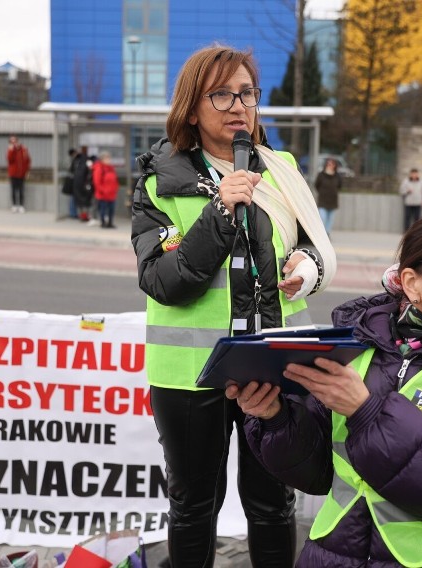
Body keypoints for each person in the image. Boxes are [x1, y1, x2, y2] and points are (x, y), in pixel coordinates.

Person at [227, 215, 422, 567]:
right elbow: (315, 473)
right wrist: (274, 418)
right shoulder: (359, 345)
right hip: (337, 553)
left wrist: (366, 411)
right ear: (411, 281)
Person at [131, 44, 337, 568]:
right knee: (194, 504)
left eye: (245, 92)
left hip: (272, 362)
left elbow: (311, 242)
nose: (236, 105)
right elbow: (164, 280)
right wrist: (222, 208)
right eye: (220, 94)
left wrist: (308, 268)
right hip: (188, 374)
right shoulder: (161, 180)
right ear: (192, 106)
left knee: (272, 502)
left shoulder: (281, 168)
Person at [314, 157, 343, 235]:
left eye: (332, 164)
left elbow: (340, 186)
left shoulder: (337, 176)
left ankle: (327, 233)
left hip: (333, 201)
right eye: (329, 164)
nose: (330, 165)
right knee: (322, 217)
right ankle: (322, 233)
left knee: (330, 219)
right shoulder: (321, 175)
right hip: (323, 200)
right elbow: (316, 185)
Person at [92, 151, 119, 228]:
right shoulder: (99, 168)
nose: (109, 160)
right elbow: (97, 182)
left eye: (109, 158)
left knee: (111, 210)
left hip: (112, 194)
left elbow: (115, 180)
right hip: (103, 194)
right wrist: (103, 191)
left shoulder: (111, 168)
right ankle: (103, 223)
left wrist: (115, 188)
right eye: (107, 158)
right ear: (102, 159)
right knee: (103, 209)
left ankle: (110, 223)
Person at [7, 135, 31, 213]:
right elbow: (10, 160)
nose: (14, 143)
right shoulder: (10, 150)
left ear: (18, 141)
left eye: (15, 141)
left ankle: (21, 206)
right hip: (13, 173)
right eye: (11, 141)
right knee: (13, 190)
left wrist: (27, 171)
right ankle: (14, 205)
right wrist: (11, 150)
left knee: (21, 190)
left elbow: (28, 161)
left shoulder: (24, 149)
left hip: (21, 173)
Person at [73, 146, 94, 222]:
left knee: (80, 201)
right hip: (85, 183)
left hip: (77, 183)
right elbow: (91, 170)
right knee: (86, 200)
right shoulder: (88, 160)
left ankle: (82, 215)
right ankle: (86, 216)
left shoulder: (77, 160)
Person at [62, 148, 78, 218]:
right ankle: (73, 213)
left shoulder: (72, 160)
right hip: (72, 182)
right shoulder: (73, 161)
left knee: (73, 198)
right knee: (73, 198)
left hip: (72, 181)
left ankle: (73, 213)